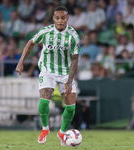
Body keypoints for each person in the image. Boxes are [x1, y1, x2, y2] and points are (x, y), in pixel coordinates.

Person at [16, 6, 80, 146]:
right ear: (54, 18)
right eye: (57, 18)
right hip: (47, 70)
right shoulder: (45, 31)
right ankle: (45, 129)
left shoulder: (73, 35)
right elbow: (30, 44)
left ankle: (62, 132)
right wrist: (21, 63)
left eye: (63, 18)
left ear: (67, 18)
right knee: (44, 102)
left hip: (65, 72)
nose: (60, 20)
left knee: (71, 109)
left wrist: (69, 81)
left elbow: (75, 59)